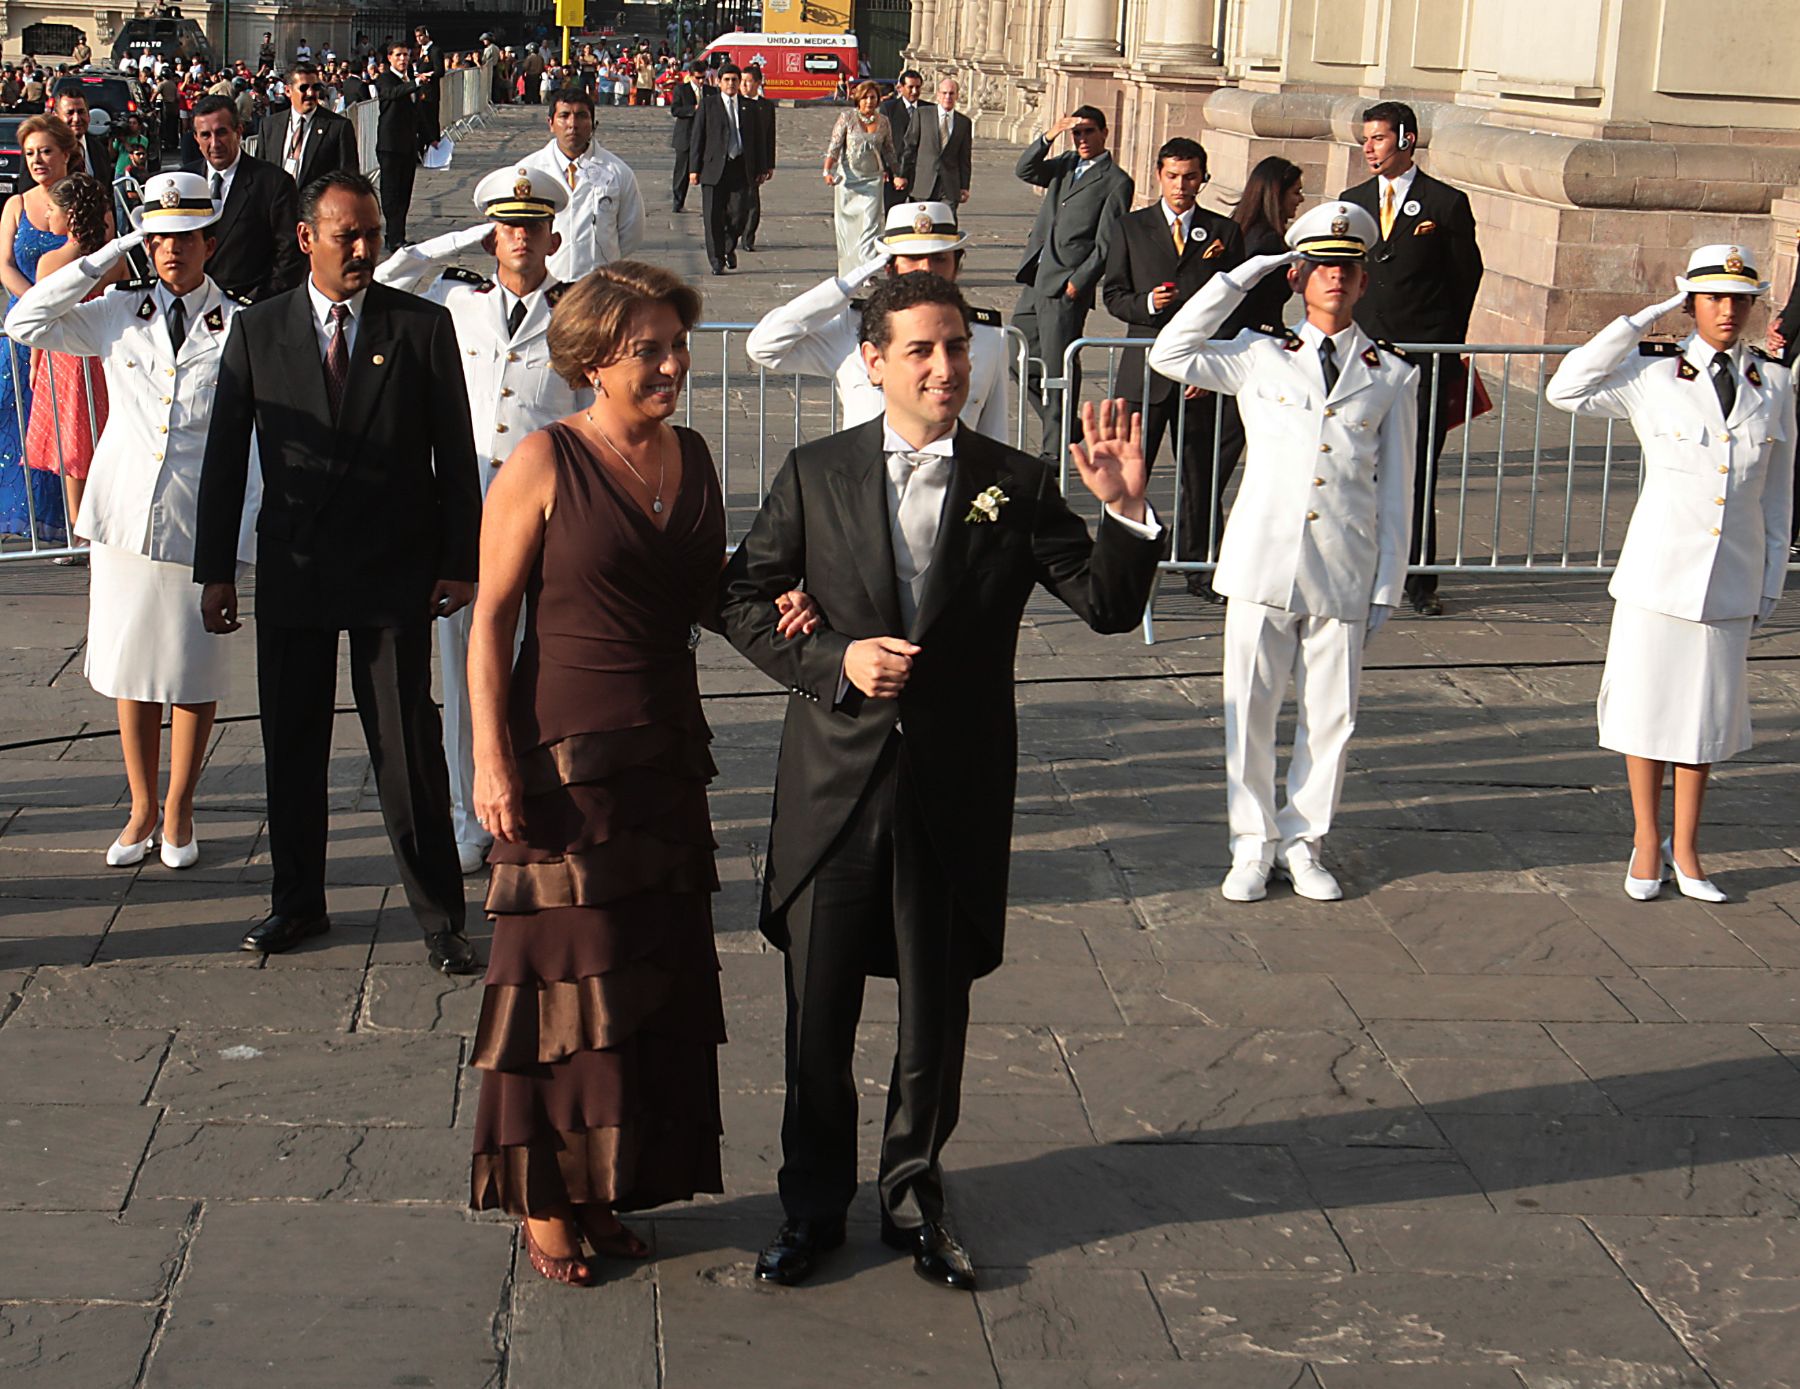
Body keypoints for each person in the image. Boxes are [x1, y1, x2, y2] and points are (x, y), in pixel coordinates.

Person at [723, 271, 1162, 1289]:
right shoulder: (816, 472)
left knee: (934, 1015)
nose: (944, 367)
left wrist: (1129, 517)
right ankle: (809, 1207)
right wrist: (833, 659)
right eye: (921, 350)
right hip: (834, 786)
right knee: (816, 1017)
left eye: (958, 348)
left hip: (949, 788)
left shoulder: (1014, 478)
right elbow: (741, 594)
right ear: (873, 363)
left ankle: (916, 1200)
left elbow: (1099, 603)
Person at [465, 262, 729, 1285]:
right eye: (646, 351)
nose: (668, 365)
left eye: (674, 344)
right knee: (560, 982)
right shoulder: (542, 460)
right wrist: (491, 756)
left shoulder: (695, 457)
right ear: (591, 362)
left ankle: (600, 1181)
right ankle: (543, 1199)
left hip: (664, 756)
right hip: (565, 759)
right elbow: (492, 619)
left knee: (640, 984)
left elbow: (713, 593)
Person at [192, 170, 482, 973]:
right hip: (296, 565)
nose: (363, 249)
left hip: (394, 570)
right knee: (293, 741)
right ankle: (298, 900)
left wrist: (461, 560)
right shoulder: (260, 331)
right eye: (347, 235)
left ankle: (437, 914)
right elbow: (226, 456)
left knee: (405, 744)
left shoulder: (420, 327)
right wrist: (216, 569)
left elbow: (454, 456)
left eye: (372, 234)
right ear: (306, 238)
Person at [1149, 203, 1416, 903]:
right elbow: (1169, 352)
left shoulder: (1392, 373)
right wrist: (1238, 278)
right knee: (1251, 705)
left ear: (1363, 283)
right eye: (1322, 265)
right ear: (1298, 277)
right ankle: (1251, 841)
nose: (1335, 278)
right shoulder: (1261, 353)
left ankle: (1304, 841)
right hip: (1264, 558)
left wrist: (1389, 578)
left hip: (1345, 559)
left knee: (1332, 715)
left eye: (1347, 269)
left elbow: (1399, 488)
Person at [5, 172, 257, 869]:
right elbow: (24, 322)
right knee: (130, 666)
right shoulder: (120, 309)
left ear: (209, 240)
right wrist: (105, 255)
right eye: (159, 238)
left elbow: (253, 449)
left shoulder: (239, 324)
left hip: (195, 523)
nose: (172, 251)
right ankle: (142, 804)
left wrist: (235, 550)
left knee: (193, 669)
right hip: (122, 520)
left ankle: (180, 807)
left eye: (185, 237)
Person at [1547, 246, 1793, 904]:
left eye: (1740, 299)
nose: (1728, 311)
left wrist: (1770, 577)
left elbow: (1778, 493)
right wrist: (1636, 322)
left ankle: (1688, 848)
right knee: (1646, 710)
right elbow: (1565, 387)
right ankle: (1647, 840)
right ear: (1692, 304)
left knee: (1703, 717)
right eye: (1714, 298)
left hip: (1729, 576)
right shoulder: (1653, 376)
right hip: (1659, 574)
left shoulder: (1775, 383)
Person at [374, 164, 588, 875]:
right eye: (508, 227)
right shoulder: (456, 303)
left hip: (553, 516)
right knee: (469, 675)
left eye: (532, 226)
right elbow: (388, 278)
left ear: (554, 236)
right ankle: (471, 815)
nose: (520, 238)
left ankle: (540, 799)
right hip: (468, 516)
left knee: (545, 668)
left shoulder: (577, 313)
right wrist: (464, 238)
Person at [1339, 100, 1483, 617]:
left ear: (1406, 139)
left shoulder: (1444, 203)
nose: (1368, 149)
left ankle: (1419, 579)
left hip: (1422, 356)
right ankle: (1361, 566)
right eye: (1364, 140)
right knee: (1359, 463)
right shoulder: (1352, 201)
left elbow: (1465, 277)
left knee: (1417, 469)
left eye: (1377, 139)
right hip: (1365, 356)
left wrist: (1444, 343)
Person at [1102, 135, 1245, 598]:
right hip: (1144, 372)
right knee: (1130, 475)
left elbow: (1234, 305)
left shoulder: (1224, 232)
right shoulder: (1131, 227)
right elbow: (1113, 294)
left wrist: (1211, 364)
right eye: (1172, 176)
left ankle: (1201, 568)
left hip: (1199, 377)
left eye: (1190, 177)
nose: (1181, 185)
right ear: (1158, 176)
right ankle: (1123, 567)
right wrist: (1146, 303)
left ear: (1203, 179)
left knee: (1200, 475)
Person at [748, 200, 1009, 439]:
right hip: (868, 481)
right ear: (888, 266)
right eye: (914, 259)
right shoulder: (851, 328)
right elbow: (764, 346)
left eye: (939, 259)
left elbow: (994, 434)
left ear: (957, 265)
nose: (927, 269)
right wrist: (847, 285)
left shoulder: (988, 335)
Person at [1012, 105, 1134, 457]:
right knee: (1016, 358)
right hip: (1036, 275)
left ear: (1104, 134)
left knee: (1056, 368)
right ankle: (1066, 427)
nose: (1081, 139)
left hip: (1065, 284)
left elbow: (1106, 242)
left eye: (1088, 132)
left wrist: (1077, 283)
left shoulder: (1116, 181)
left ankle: (1053, 451)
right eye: (1076, 133)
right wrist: (1049, 135)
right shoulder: (1064, 164)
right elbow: (1025, 169)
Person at [0, 116, 87, 545]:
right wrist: (36, 301)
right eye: (30, 153)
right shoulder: (16, 205)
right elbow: (5, 265)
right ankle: (19, 520)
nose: (38, 160)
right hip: (23, 326)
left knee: (66, 430)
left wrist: (56, 301)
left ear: (66, 153)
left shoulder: (86, 199)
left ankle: (66, 524)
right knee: (15, 422)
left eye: (46, 151)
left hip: (68, 332)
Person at [23, 172, 115, 553]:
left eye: (53, 209)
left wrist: (33, 361)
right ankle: (98, 523)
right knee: (99, 442)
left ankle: (79, 527)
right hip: (103, 355)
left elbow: (40, 318)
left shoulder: (50, 262)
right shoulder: (114, 258)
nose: (47, 214)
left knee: (72, 448)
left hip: (64, 360)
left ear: (71, 214)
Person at [184, 95, 304, 303]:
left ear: (238, 131)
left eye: (221, 132)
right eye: (205, 135)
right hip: (192, 308)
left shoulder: (273, 183)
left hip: (250, 309)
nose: (214, 143)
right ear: (196, 138)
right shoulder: (185, 181)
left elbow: (290, 256)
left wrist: (258, 304)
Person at [522, 88, 644, 285]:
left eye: (581, 116)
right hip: (543, 282)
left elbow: (632, 232)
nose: (572, 124)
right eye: (564, 116)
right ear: (550, 123)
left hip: (597, 284)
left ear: (594, 125)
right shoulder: (529, 171)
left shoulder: (618, 172)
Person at [688, 64, 765, 277]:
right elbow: (698, 137)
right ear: (719, 82)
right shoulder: (709, 105)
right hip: (713, 167)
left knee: (739, 214)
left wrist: (762, 166)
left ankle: (728, 247)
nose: (731, 84)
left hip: (740, 166)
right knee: (712, 216)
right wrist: (694, 169)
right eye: (727, 80)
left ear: (740, 83)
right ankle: (716, 260)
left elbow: (757, 139)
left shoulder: (749, 107)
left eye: (735, 80)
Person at [823, 81, 897, 277]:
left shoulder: (883, 122)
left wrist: (897, 173)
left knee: (871, 226)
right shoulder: (847, 118)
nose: (869, 101)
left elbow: (889, 150)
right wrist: (827, 170)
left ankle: (867, 272)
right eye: (865, 97)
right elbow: (835, 146)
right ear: (858, 98)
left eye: (873, 97)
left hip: (873, 180)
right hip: (849, 180)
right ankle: (850, 271)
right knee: (848, 229)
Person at [259, 63, 359, 192]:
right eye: (304, 88)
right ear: (288, 91)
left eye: (316, 87)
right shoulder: (269, 126)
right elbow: (261, 174)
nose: (311, 93)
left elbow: (349, 179)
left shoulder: (338, 127)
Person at [373, 40, 424, 247]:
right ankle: (393, 237)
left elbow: (417, 113)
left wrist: (430, 137)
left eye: (406, 55)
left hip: (408, 145)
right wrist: (415, 84)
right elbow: (391, 94)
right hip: (390, 145)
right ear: (390, 58)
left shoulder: (410, 78)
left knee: (405, 192)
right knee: (391, 193)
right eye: (399, 55)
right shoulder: (386, 79)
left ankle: (398, 236)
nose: (403, 59)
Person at [899, 76, 971, 207]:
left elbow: (964, 157)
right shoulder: (922, 114)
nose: (947, 97)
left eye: (951, 93)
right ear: (938, 95)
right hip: (923, 184)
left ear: (957, 96)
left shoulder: (963, 122)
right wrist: (901, 175)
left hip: (949, 187)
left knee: (946, 224)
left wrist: (965, 186)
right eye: (944, 93)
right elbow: (909, 147)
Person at [738, 64, 775, 252]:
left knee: (753, 201)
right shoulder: (734, 103)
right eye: (741, 81)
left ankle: (748, 237)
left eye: (748, 81)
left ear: (758, 83)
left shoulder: (766, 106)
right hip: (735, 159)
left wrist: (769, 165)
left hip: (755, 161)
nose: (744, 85)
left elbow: (769, 136)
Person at [878, 70, 922, 210]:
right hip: (894, 174)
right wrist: (887, 170)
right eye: (910, 87)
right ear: (900, 88)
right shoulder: (889, 108)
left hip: (921, 174)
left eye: (918, 87)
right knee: (893, 215)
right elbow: (882, 141)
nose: (914, 91)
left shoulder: (928, 109)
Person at [669, 63, 701, 211]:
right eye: (698, 78)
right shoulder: (681, 90)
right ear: (691, 75)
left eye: (703, 77)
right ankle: (678, 202)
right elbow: (675, 110)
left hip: (703, 137)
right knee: (681, 172)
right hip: (685, 136)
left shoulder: (710, 91)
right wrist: (692, 109)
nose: (701, 81)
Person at [412, 27, 441, 159]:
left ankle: (433, 148)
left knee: (430, 120)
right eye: (417, 36)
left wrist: (427, 75)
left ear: (427, 35)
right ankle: (422, 149)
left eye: (421, 36)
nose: (419, 39)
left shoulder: (435, 51)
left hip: (430, 91)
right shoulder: (421, 51)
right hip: (421, 90)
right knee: (422, 119)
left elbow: (440, 71)